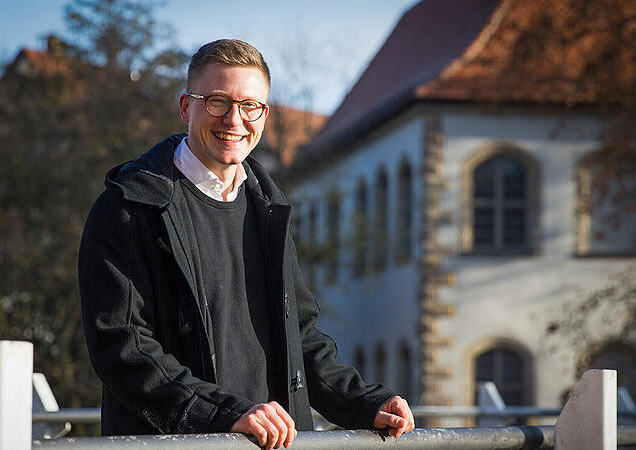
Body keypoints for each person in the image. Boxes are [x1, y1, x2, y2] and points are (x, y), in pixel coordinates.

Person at [78, 39, 414, 448]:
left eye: (249, 105)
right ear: (186, 107)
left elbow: (300, 339)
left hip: (276, 443)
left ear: (264, 115)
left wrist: (363, 403)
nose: (234, 119)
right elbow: (122, 348)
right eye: (217, 101)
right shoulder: (129, 208)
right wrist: (224, 415)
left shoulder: (268, 207)